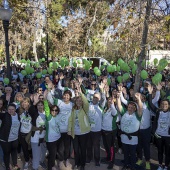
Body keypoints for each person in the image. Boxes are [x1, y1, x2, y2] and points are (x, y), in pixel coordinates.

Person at [117, 92, 143, 170]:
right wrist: (118, 97)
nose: (130, 108)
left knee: (132, 153)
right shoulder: (124, 112)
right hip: (124, 137)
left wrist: (138, 99)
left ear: (135, 108)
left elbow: (140, 108)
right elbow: (119, 106)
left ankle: (132, 166)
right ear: (127, 108)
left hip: (133, 139)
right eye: (129, 107)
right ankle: (126, 165)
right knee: (126, 153)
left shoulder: (137, 115)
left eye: (132, 107)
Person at [148, 84, 170, 170]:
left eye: (166, 104)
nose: (164, 105)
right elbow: (150, 104)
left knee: (168, 152)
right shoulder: (158, 111)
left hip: (168, 136)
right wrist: (150, 93)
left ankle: (166, 166)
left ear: (168, 105)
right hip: (158, 135)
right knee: (160, 151)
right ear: (160, 105)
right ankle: (160, 165)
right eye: (163, 104)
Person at [68, 92, 91, 170]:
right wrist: (69, 130)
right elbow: (70, 120)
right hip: (75, 133)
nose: (78, 102)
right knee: (76, 150)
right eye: (77, 101)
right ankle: (77, 164)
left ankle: (82, 165)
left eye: (80, 101)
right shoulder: (73, 109)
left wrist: (81, 93)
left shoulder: (85, 109)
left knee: (83, 149)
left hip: (84, 133)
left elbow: (86, 103)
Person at [0, 103, 20, 170]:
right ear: (7, 110)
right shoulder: (5, 115)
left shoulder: (18, 115)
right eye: (9, 109)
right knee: (7, 154)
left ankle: (15, 164)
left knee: (14, 152)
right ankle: (7, 167)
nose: (11, 111)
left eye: (12, 109)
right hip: (5, 139)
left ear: (15, 110)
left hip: (15, 138)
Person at [44, 98, 62, 170]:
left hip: (58, 138)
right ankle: (50, 167)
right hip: (50, 140)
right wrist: (45, 100)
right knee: (52, 155)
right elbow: (46, 108)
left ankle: (53, 166)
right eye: (53, 110)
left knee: (55, 154)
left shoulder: (58, 117)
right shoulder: (49, 118)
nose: (54, 111)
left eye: (56, 110)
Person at [101, 96, 118, 169]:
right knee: (106, 146)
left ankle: (112, 161)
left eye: (111, 101)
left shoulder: (113, 109)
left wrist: (112, 105)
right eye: (109, 100)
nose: (109, 101)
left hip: (110, 131)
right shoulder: (105, 108)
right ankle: (108, 157)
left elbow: (114, 113)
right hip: (103, 130)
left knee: (111, 147)